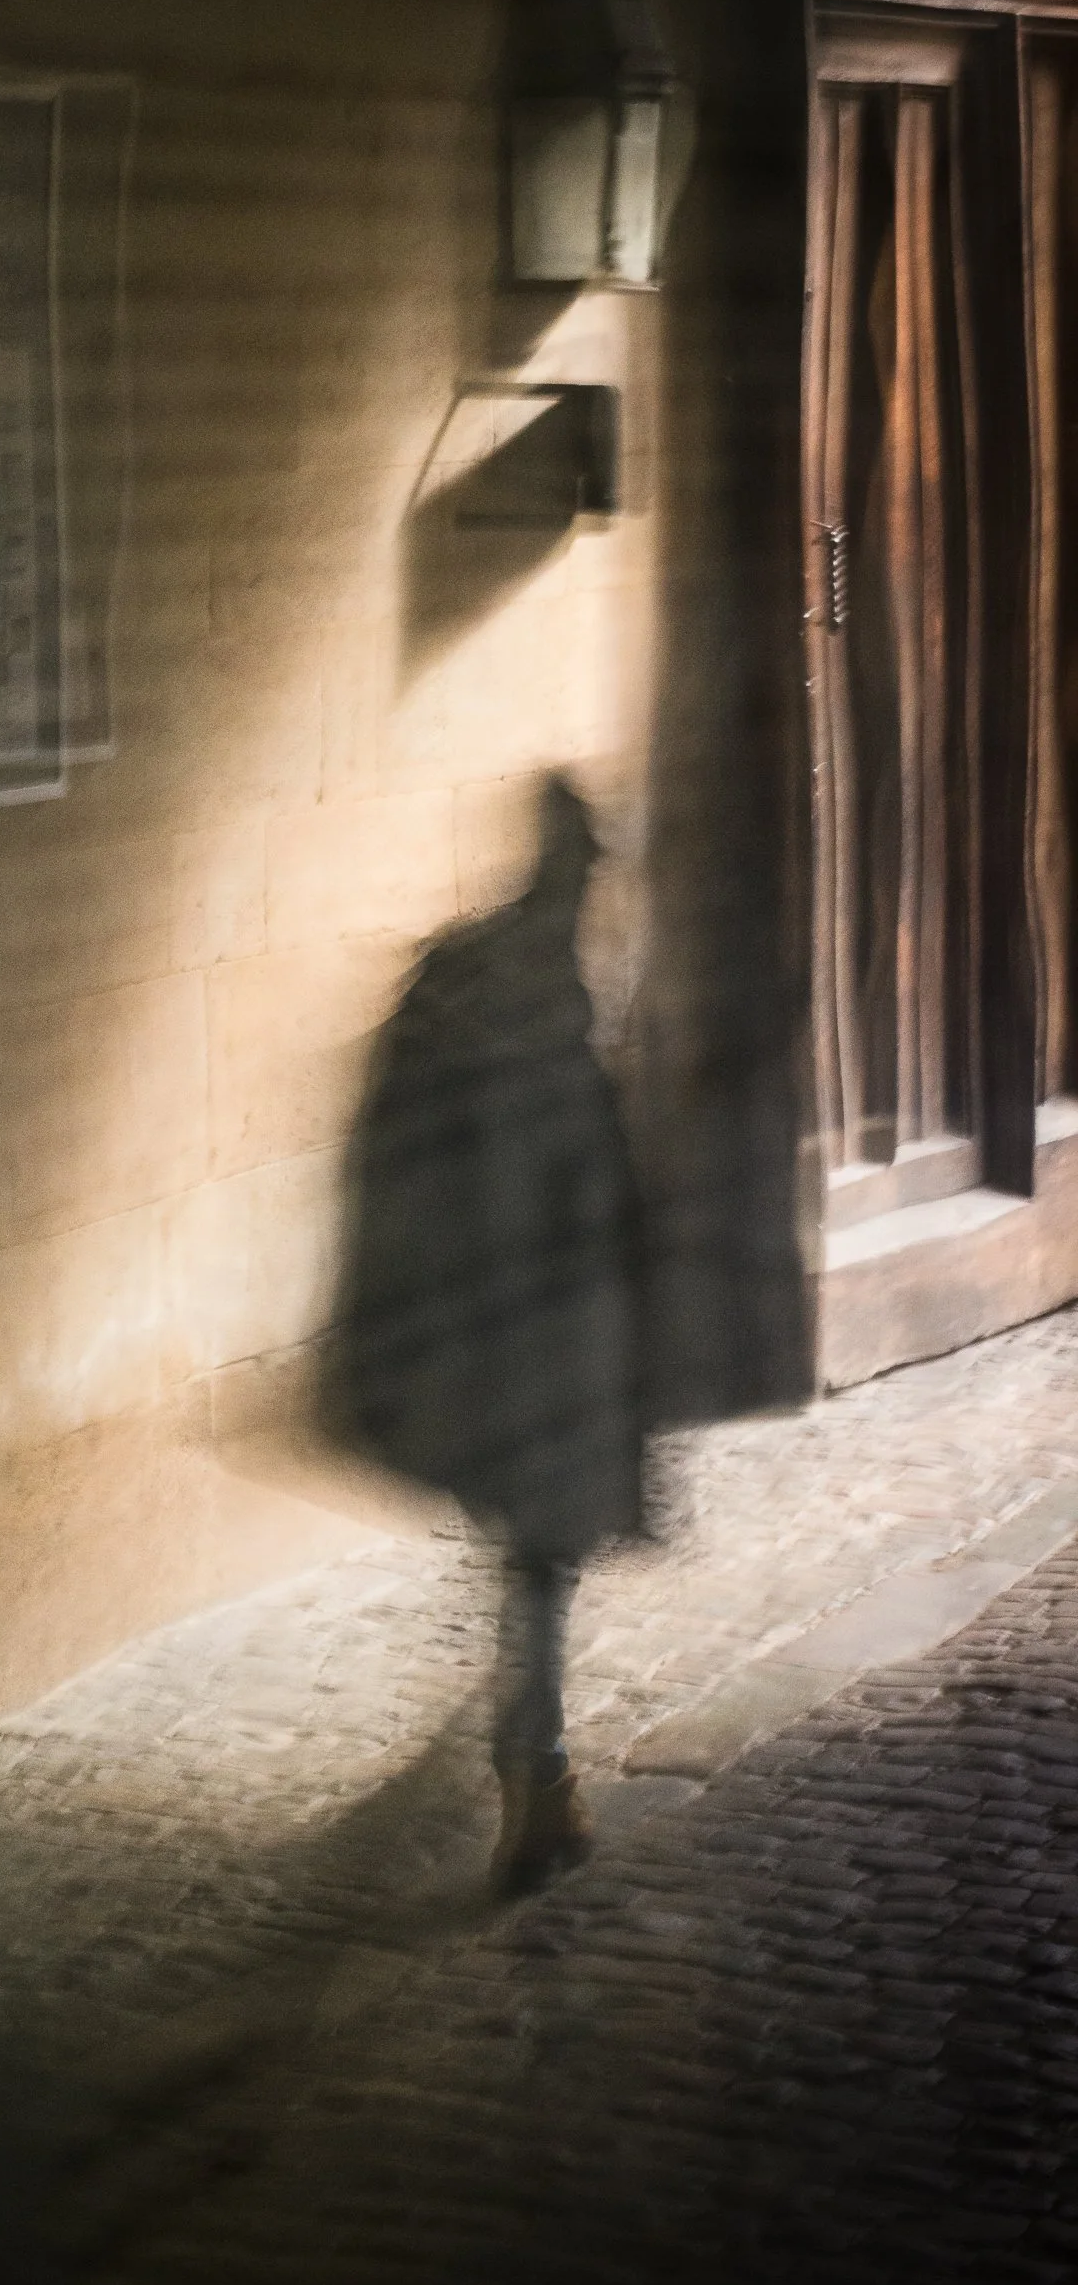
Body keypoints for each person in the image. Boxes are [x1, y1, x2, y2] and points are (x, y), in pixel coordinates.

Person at [322, 772, 648, 1899]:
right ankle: (537, 1776)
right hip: (541, 1335)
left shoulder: (457, 975)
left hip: (464, 1326)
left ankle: (529, 1760)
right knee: (541, 1557)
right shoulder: (561, 1004)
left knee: (525, 1547)